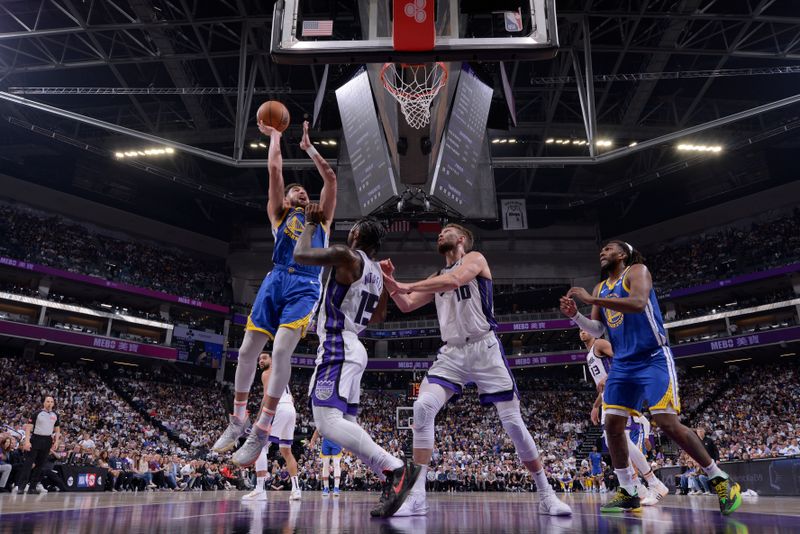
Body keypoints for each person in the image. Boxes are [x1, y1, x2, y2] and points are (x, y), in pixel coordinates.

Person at [381, 223, 572, 517]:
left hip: (485, 349)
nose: (439, 234)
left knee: (513, 424)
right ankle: (417, 496)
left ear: (460, 239)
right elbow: (406, 305)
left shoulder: (475, 259)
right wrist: (390, 281)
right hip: (452, 352)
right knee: (422, 407)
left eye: (446, 231)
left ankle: (546, 494)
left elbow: (456, 280)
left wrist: (408, 284)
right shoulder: (435, 277)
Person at [560, 240, 741, 515]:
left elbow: (637, 302)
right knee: (612, 426)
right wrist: (576, 317)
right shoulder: (600, 288)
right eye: (602, 250)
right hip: (622, 362)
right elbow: (597, 328)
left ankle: (720, 478)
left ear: (623, 254)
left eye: (608, 249)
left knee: (667, 421)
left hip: (652, 356)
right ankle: (628, 490)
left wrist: (592, 300)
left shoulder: (637, 271)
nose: (602, 252)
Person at [214, 120, 337, 464]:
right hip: (276, 278)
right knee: (248, 349)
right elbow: (274, 169)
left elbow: (331, 179)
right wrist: (276, 137)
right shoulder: (279, 213)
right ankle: (238, 418)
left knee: (281, 350)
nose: (302, 193)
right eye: (296, 191)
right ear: (284, 199)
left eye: (304, 192)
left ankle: (261, 428)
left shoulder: (322, 218)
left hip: (305, 284)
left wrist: (310, 148)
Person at [293, 203, 419, 518]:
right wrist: (386, 279)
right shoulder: (376, 271)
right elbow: (379, 316)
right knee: (347, 425)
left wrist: (310, 223)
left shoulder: (347, 256)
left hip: (337, 344)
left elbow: (301, 254)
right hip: (354, 347)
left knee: (326, 423)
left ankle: (394, 468)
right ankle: (393, 481)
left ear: (357, 233)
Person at [581, 329, 669, 505]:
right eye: (579, 330)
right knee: (614, 442)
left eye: (585, 328)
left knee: (622, 441)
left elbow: (623, 358)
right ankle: (639, 488)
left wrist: (609, 378)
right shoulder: (589, 355)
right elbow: (602, 385)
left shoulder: (599, 344)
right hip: (609, 397)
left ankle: (652, 483)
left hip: (620, 392)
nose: (582, 331)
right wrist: (595, 406)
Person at [241, 351, 302, 501]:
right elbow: (292, 398)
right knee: (286, 450)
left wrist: (260, 418)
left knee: (260, 446)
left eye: (264, 358)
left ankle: (260, 489)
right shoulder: (281, 375)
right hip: (290, 409)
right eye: (259, 359)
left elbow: (268, 397)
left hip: (279, 407)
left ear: (272, 360)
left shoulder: (267, 373)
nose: (260, 361)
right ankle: (296, 490)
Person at [16, 395, 60, 494]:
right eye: (48, 401)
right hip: (36, 438)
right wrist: (27, 441)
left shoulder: (55, 415)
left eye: (51, 402)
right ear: (44, 403)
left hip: (48, 440)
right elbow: (28, 428)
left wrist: (56, 441)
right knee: (28, 464)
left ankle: (32, 487)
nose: (50, 403)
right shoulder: (37, 413)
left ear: (53, 403)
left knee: (40, 465)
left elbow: (57, 430)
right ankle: (21, 487)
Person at [308, 430, 343, 497]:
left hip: (337, 441)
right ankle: (326, 487)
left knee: (336, 464)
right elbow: (318, 429)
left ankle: (336, 488)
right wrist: (312, 441)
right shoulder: (324, 420)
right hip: (326, 442)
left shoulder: (339, 420)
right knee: (325, 465)